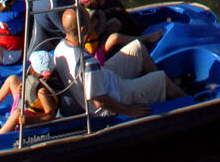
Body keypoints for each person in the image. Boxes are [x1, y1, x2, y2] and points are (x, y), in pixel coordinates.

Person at [53, 8, 187, 119]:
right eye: (89, 21)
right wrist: (129, 111)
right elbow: (99, 101)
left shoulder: (60, 49)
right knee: (161, 79)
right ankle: (189, 103)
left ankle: (156, 92)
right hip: (114, 99)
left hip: (103, 79)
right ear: (83, 30)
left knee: (137, 48)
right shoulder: (87, 63)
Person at [0, 49, 58, 135]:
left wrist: (29, 120)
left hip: (26, 118)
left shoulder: (42, 91)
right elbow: (29, 92)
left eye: (31, 65)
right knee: (12, 79)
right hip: (23, 105)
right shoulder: (33, 78)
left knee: (16, 113)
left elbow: (51, 115)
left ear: (35, 70)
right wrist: (20, 89)